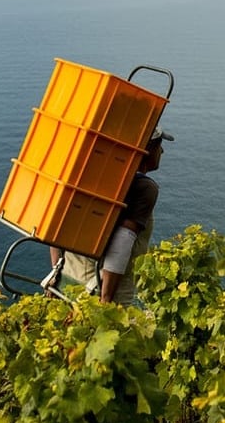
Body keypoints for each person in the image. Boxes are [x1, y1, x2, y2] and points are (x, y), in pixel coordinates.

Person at [46, 127, 173, 305]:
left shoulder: (91, 177)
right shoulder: (144, 188)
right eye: (159, 145)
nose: (162, 151)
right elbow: (123, 241)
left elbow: (58, 225)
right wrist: (106, 299)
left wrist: (55, 270)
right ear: (148, 149)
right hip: (101, 291)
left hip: (65, 283)